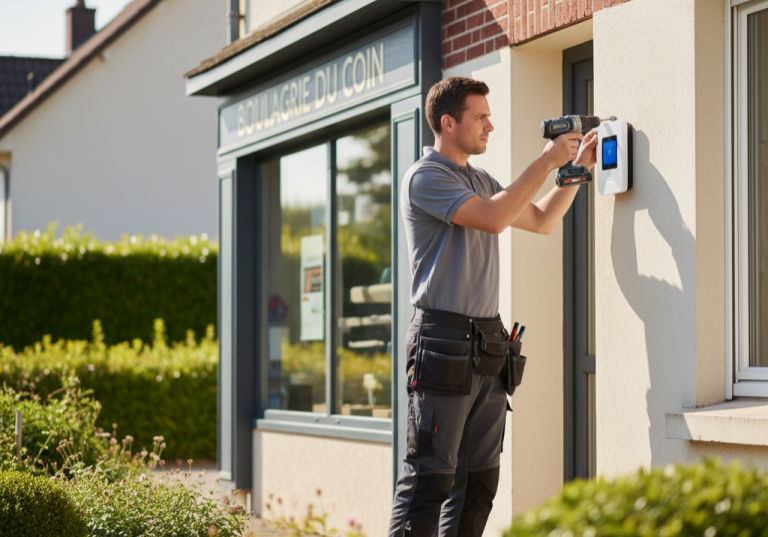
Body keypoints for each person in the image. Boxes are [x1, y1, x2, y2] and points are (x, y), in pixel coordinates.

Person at [387, 77, 597, 537]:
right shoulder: (425, 177)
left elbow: (540, 221)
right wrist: (547, 158)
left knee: (480, 484)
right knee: (430, 480)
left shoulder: (481, 180)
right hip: (441, 342)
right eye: (480, 117)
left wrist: (576, 170)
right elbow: (493, 219)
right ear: (448, 121)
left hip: (488, 345)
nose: (491, 126)